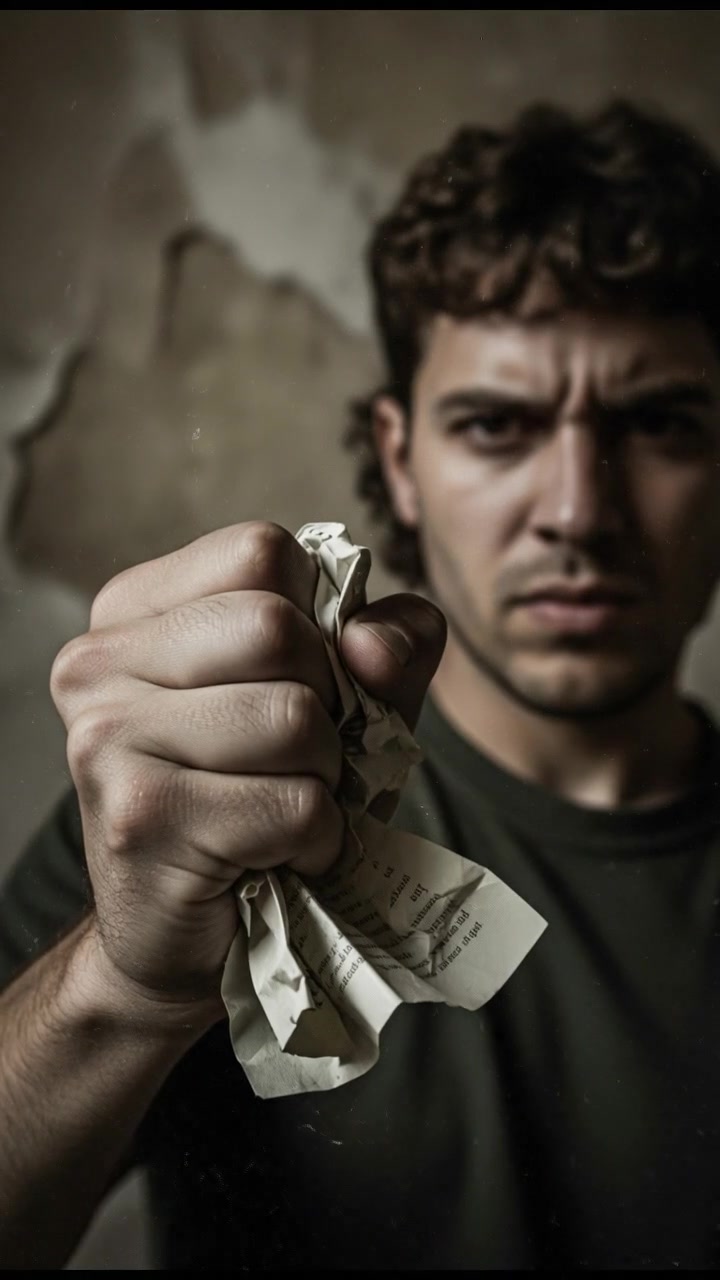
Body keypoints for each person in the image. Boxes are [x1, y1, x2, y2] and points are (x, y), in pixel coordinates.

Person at [1, 98, 720, 1270]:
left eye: (659, 423)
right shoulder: (205, 805)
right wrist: (122, 986)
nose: (581, 510)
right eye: (498, 424)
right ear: (401, 457)